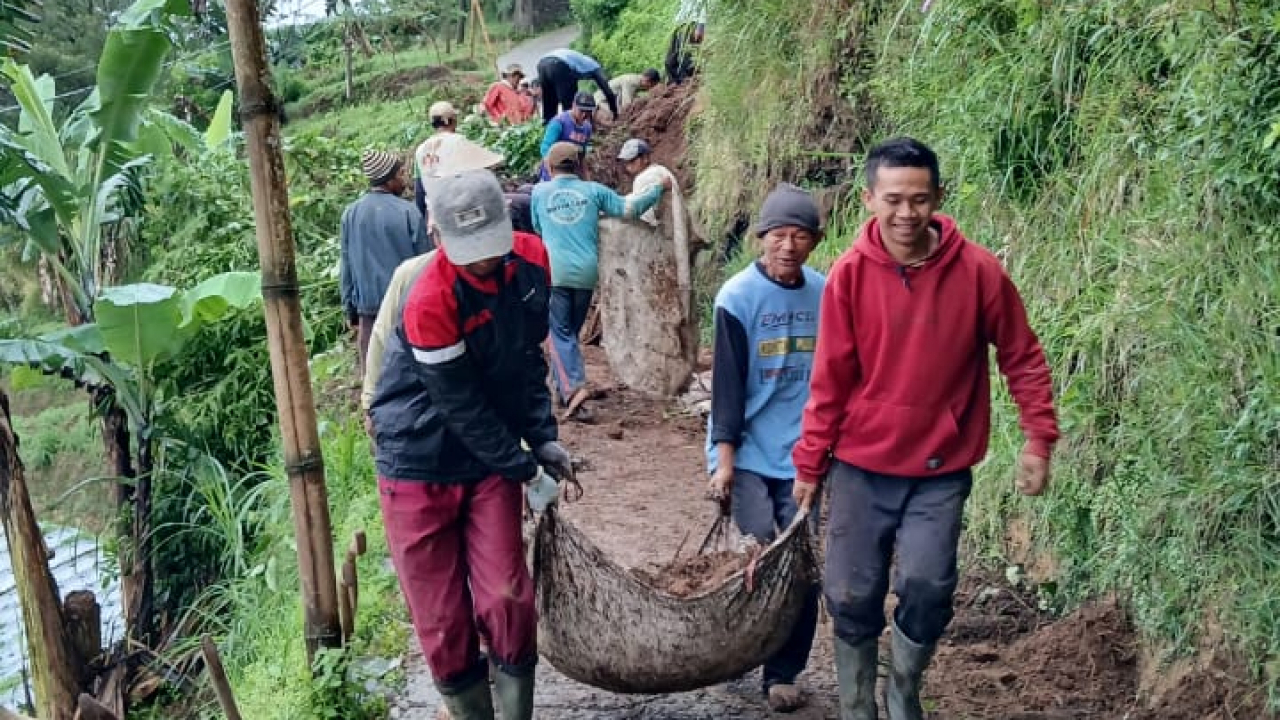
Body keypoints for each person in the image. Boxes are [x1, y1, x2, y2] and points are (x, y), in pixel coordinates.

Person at [792, 137, 1059, 720]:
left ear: (938, 196)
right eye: (893, 199)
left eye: (919, 199)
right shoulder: (849, 277)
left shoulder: (979, 272)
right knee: (849, 594)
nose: (906, 213)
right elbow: (830, 378)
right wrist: (811, 462)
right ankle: (858, 707)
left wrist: (1039, 437)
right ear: (869, 200)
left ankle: (904, 691)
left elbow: (1021, 355)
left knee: (928, 587)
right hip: (860, 467)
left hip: (939, 469)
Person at [370, 168, 575, 720]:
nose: (480, 260)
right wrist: (525, 469)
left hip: (490, 457)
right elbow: (460, 407)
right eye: (466, 250)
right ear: (439, 238)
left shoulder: (532, 263)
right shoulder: (429, 296)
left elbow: (527, 358)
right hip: (417, 458)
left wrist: (544, 436)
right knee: (442, 618)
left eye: (489, 247)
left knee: (507, 598)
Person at [705, 183, 826, 713]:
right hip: (750, 453)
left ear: (814, 242)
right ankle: (740, 648)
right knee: (760, 556)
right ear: (761, 238)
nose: (788, 246)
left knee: (801, 566)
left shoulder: (826, 294)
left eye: (800, 236)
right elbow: (727, 389)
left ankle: (782, 671)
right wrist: (723, 462)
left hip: (805, 454)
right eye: (778, 235)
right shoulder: (737, 299)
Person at [531, 142, 670, 421]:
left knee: (558, 333)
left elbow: (536, 226)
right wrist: (658, 189)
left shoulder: (539, 192)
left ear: (549, 166)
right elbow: (629, 209)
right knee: (569, 332)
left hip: (554, 272)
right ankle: (563, 389)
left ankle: (573, 391)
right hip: (586, 274)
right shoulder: (594, 191)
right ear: (580, 166)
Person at [339, 149, 423, 379]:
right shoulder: (408, 212)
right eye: (401, 173)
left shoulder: (350, 214)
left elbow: (346, 264)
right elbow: (425, 262)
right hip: (405, 309)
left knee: (374, 378)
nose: (405, 178)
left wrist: (350, 309)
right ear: (390, 178)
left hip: (369, 312)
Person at [535, 47, 619, 122]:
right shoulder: (594, 66)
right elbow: (608, 92)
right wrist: (615, 113)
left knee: (549, 104)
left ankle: (547, 130)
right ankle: (570, 132)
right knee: (570, 106)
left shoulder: (579, 60)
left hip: (542, 64)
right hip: (559, 64)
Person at [538, 92, 595, 182]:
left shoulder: (587, 128)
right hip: (553, 172)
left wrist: (587, 181)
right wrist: (551, 175)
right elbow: (545, 149)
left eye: (588, 112)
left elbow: (582, 157)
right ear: (573, 105)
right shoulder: (559, 122)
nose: (584, 115)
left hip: (571, 175)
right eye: (581, 111)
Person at [593, 68, 662, 120]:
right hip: (601, 100)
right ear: (647, 80)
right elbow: (626, 106)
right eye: (652, 85)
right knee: (620, 118)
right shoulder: (630, 82)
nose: (650, 88)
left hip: (612, 99)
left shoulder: (637, 80)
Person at [666, 0, 706, 84]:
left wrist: (700, 26)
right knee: (670, 61)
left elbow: (704, 4)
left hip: (692, 23)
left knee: (686, 61)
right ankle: (674, 87)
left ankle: (687, 85)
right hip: (680, 24)